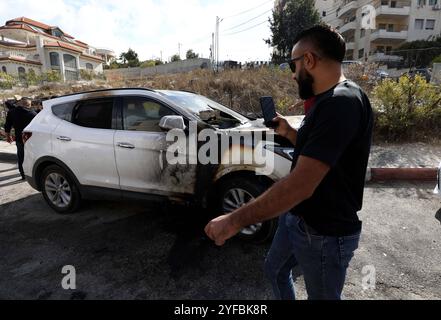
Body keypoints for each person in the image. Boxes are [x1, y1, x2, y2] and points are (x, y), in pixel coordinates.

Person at [204, 25, 373, 300]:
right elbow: (322, 154)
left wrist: (234, 220)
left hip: (324, 234)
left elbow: (300, 186)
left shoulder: (341, 103)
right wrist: (289, 133)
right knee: (275, 270)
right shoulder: (327, 100)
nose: (293, 75)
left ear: (309, 60)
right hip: (297, 219)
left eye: (293, 65)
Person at [4, 97, 37, 180]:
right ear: (28, 104)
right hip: (32, 139)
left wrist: (8, 136)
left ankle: (23, 175)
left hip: (19, 139)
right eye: (29, 105)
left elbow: (7, 126)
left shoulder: (12, 112)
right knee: (34, 157)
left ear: (20, 103)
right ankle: (34, 174)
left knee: (21, 157)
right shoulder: (33, 114)